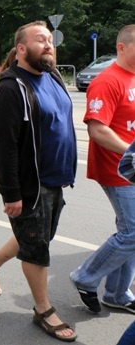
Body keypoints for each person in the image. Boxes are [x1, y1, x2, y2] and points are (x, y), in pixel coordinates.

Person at [0, 21, 77, 342]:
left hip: (56, 180)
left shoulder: (53, 76)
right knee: (37, 249)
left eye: (50, 40)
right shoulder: (11, 88)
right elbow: (4, 147)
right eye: (40, 40)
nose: (48, 45)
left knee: (36, 236)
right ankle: (43, 310)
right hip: (32, 186)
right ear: (21, 49)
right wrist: (12, 194)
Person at [70, 24, 135, 314]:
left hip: (131, 167)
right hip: (118, 168)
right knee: (133, 232)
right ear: (122, 47)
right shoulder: (107, 81)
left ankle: (117, 294)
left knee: (131, 232)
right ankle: (85, 277)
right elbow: (98, 130)